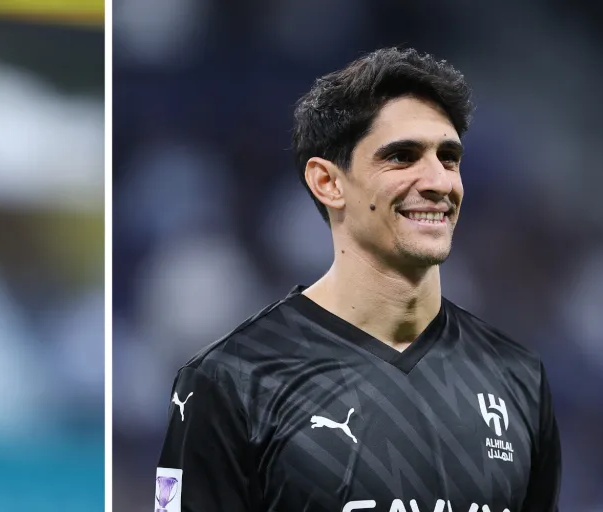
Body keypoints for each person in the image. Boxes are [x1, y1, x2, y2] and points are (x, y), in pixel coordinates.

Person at [155, 48, 561, 512]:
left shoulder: (518, 378)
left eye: (448, 158)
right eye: (402, 156)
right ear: (328, 183)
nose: (437, 180)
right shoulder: (230, 382)